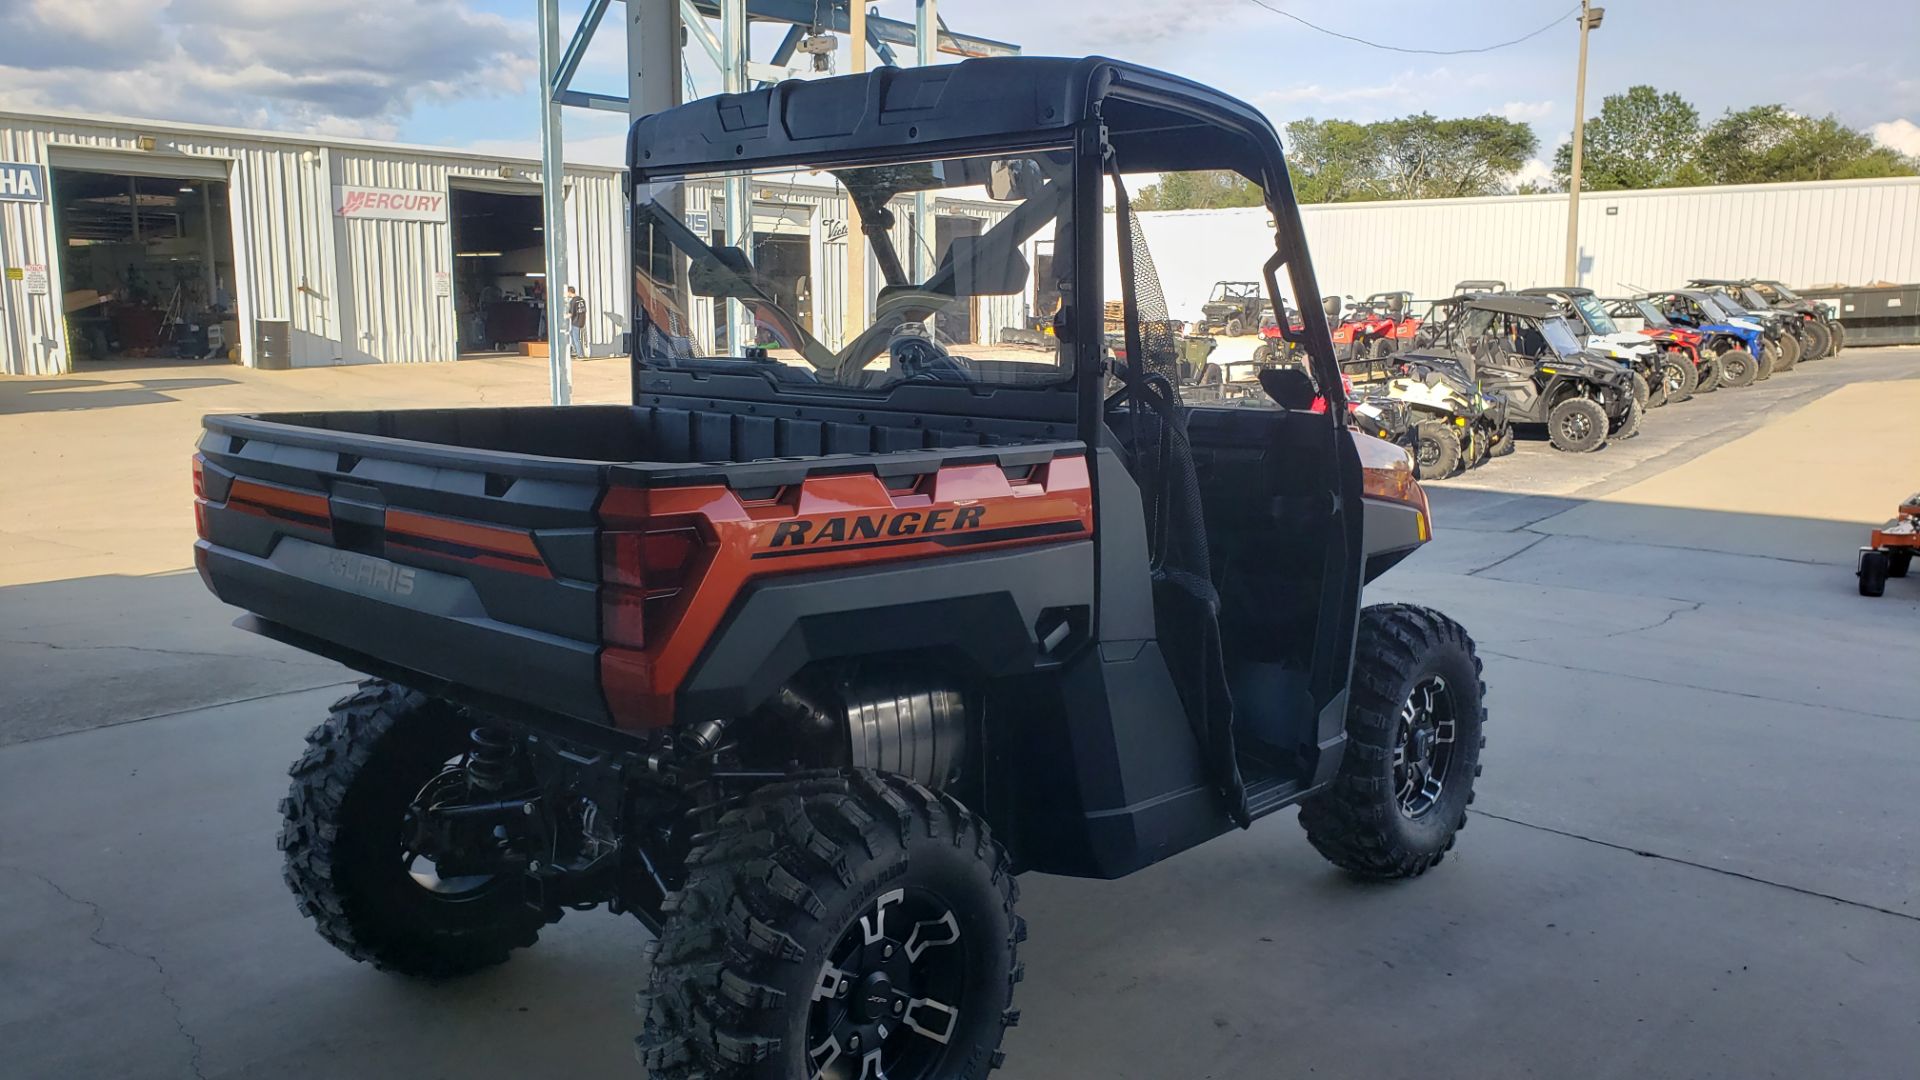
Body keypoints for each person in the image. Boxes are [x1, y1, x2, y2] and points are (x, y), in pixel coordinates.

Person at [565, 285, 587, 358]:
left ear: (569, 292)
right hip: (582, 320)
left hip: (576, 321)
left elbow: (571, 314)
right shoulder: (581, 299)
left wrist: (563, 317)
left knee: (576, 338)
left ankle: (580, 354)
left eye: (567, 292)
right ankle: (576, 351)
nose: (567, 294)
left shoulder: (573, 301)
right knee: (572, 334)